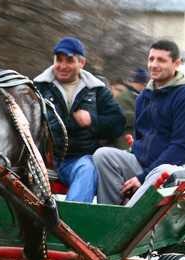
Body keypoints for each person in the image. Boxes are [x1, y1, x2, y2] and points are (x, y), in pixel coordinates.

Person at [94, 39, 185, 205]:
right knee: (103, 155)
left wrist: (141, 177)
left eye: (161, 60)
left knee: (162, 172)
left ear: (176, 64)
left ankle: (129, 221)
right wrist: (135, 154)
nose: (154, 65)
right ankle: (110, 214)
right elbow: (140, 136)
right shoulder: (144, 96)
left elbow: (183, 147)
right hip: (147, 167)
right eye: (151, 59)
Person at [34, 37, 125, 203]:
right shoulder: (38, 88)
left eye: (69, 60)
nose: (62, 66)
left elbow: (118, 123)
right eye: (58, 60)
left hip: (79, 159)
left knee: (87, 169)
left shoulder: (97, 90)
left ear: (81, 63)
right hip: (42, 160)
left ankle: (70, 224)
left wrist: (92, 121)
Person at [112, 67, 148, 149]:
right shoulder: (124, 97)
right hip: (124, 140)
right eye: (143, 84)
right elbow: (120, 117)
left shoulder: (138, 96)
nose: (144, 86)